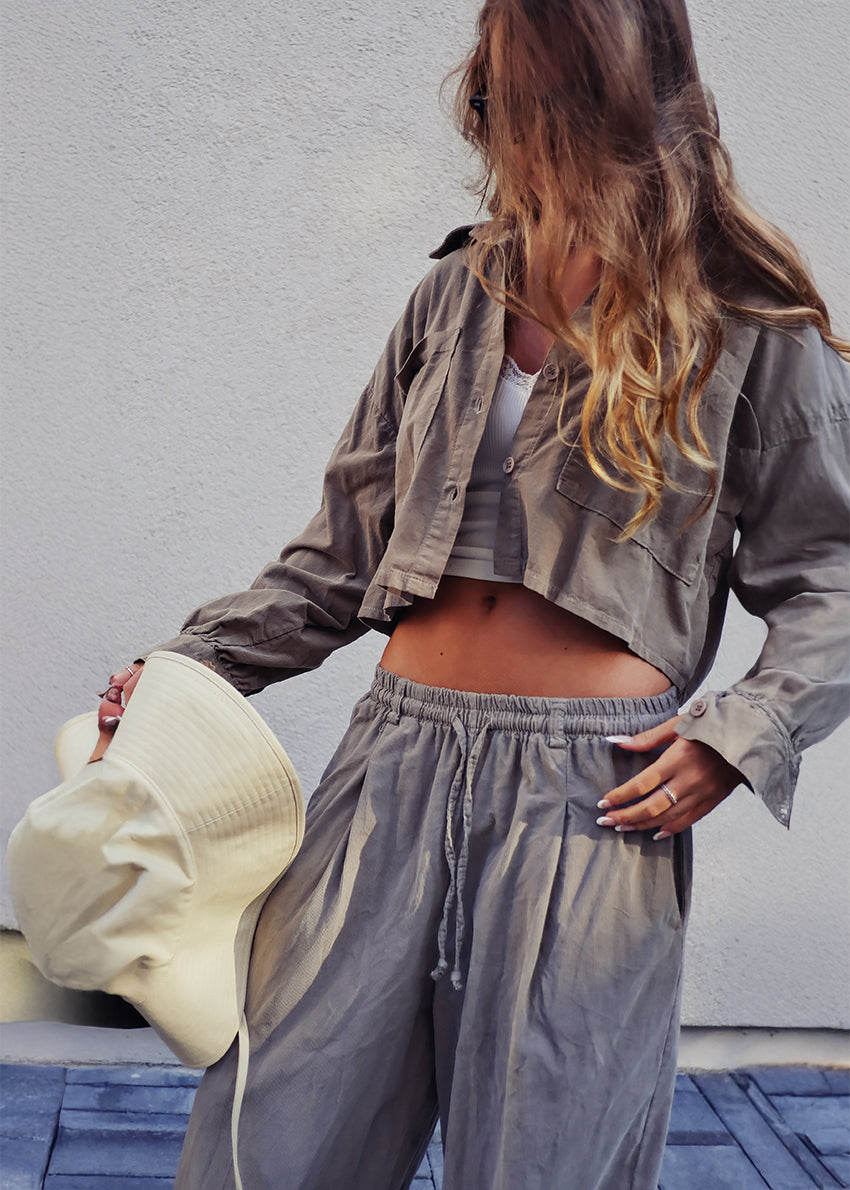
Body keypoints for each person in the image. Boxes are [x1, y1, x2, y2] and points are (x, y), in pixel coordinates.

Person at [94, 1, 850, 1187]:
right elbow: (340, 556)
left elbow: (831, 575)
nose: (508, 120)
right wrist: (188, 666)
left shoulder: (739, 309)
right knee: (266, 1141)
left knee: (544, 1160)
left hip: (590, 799)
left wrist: (739, 735)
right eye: (500, 84)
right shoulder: (452, 295)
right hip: (388, 771)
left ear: (619, 92)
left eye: (541, 90)